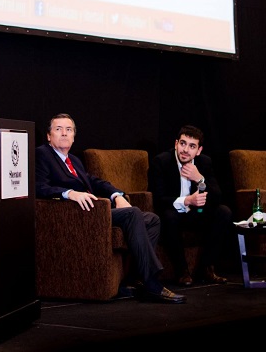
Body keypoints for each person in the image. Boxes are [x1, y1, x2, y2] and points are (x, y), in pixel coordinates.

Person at [35, 113, 186, 304]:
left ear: (74, 136)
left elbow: (94, 181)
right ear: (49, 136)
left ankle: (135, 280)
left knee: (152, 219)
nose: (64, 133)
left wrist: (117, 195)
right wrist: (69, 193)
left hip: (95, 212)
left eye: (69, 130)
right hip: (75, 214)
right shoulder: (42, 154)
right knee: (133, 213)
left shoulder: (73, 160)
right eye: (58, 129)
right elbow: (38, 187)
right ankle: (152, 283)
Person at [148, 125, 233, 286]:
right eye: (183, 143)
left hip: (196, 214)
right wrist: (187, 200)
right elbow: (158, 199)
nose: (186, 150)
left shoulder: (204, 162)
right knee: (169, 216)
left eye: (192, 146)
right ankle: (182, 272)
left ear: (198, 150)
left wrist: (200, 179)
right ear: (176, 144)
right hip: (173, 214)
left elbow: (217, 196)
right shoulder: (161, 162)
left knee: (223, 212)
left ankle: (206, 268)